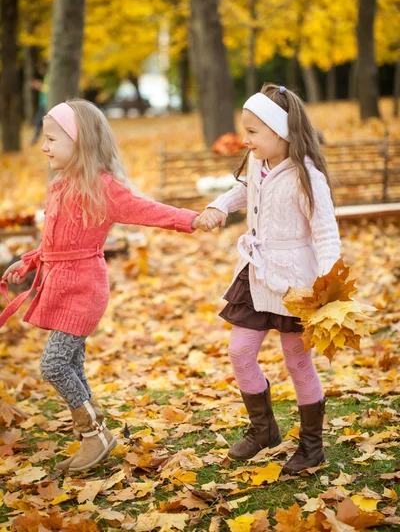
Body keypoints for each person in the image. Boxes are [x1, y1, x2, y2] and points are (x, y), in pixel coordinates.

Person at [0, 99, 207, 473]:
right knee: (72, 362)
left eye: (51, 139)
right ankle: (97, 431)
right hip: (60, 284)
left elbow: (149, 210)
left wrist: (193, 220)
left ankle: (93, 437)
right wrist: (29, 260)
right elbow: (56, 240)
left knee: (54, 364)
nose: (44, 147)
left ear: (79, 143)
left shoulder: (103, 188)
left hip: (84, 288)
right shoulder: (61, 184)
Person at [198, 83, 341, 473]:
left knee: (297, 360)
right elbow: (243, 191)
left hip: (296, 283)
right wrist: (218, 206)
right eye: (245, 131)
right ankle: (263, 430)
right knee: (240, 352)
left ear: (281, 133)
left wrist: (328, 286)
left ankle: (312, 446)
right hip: (256, 273)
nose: (245, 140)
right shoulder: (260, 166)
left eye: (252, 132)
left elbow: (326, 233)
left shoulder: (307, 176)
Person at [31, 62, 49, 145]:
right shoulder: (45, 77)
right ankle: (36, 138)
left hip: (47, 103)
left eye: (41, 68)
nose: (40, 70)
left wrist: (39, 86)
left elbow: (49, 89)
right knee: (39, 121)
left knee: (39, 121)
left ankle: (36, 138)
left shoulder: (49, 77)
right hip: (43, 103)